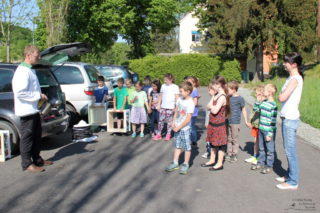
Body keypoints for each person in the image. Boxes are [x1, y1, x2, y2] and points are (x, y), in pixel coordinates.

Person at [12, 45, 52, 172]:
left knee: (36, 137)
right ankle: (27, 164)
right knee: (27, 138)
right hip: (26, 111)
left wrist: (40, 100)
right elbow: (20, 93)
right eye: (37, 56)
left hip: (33, 109)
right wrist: (37, 96)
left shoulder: (30, 70)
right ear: (28, 55)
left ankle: (37, 160)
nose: (39, 58)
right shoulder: (22, 71)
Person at [276, 52, 304, 190]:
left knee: (290, 151)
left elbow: (281, 98)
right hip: (286, 118)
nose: (284, 64)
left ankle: (293, 182)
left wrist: (280, 96)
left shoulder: (295, 79)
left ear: (294, 64)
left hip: (290, 119)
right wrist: (281, 95)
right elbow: (282, 96)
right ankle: (289, 175)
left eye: (286, 61)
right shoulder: (291, 78)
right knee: (288, 150)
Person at [201, 75, 230, 171]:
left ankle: (219, 163)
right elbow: (208, 105)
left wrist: (211, 107)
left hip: (219, 124)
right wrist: (212, 107)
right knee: (213, 142)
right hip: (212, 123)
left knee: (220, 144)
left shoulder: (222, 96)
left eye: (213, 84)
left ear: (219, 85)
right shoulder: (215, 95)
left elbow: (214, 111)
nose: (212, 86)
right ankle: (212, 160)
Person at [165, 82, 195, 175]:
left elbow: (188, 119)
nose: (179, 93)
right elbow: (176, 112)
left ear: (188, 91)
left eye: (181, 91)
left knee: (186, 147)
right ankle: (175, 162)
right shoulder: (179, 100)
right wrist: (173, 123)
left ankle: (186, 164)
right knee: (177, 146)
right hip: (177, 127)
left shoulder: (190, 103)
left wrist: (179, 127)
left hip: (185, 129)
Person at [251, 84, 278, 174]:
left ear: (269, 93)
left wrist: (270, 134)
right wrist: (257, 101)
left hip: (268, 131)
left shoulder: (273, 106)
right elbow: (255, 109)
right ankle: (260, 163)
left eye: (265, 91)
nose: (263, 92)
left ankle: (269, 165)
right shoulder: (264, 103)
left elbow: (273, 122)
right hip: (261, 129)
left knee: (270, 150)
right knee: (261, 148)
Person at [225, 80, 249, 163]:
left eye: (228, 90)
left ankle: (234, 154)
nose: (227, 91)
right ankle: (229, 153)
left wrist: (246, 121)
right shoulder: (228, 98)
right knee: (228, 138)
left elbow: (244, 110)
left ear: (234, 89)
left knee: (234, 139)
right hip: (228, 120)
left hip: (235, 122)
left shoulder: (240, 99)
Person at [153, 73, 180, 141]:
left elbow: (177, 98)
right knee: (160, 121)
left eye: (166, 80)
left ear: (171, 80)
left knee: (169, 122)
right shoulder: (163, 86)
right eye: (164, 80)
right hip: (163, 107)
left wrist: (177, 107)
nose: (165, 81)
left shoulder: (175, 87)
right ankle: (159, 134)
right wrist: (159, 104)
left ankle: (168, 134)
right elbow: (161, 96)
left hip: (171, 107)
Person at [245, 85, 265, 164]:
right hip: (256, 124)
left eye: (257, 93)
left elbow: (258, 110)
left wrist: (258, 102)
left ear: (262, 93)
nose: (256, 95)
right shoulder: (256, 102)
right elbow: (253, 111)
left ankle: (261, 157)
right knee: (256, 140)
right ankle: (255, 156)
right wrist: (250, 121)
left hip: (262, 125)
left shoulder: (264, 102)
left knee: (261, 142)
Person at [202, 83, 217, 159]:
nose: (208, 92)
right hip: (208, 123)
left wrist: (208, 122)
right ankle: (209, 151)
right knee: (208, 138)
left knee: (210, 139)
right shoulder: (212, 99)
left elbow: (211, 113)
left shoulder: (215, 100)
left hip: (210, 124)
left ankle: (210, 152)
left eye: (209, 90)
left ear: (214, 91)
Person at [187, 76, 200, 149]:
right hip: (188, 112)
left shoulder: (195, 91)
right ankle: (189, 139)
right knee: (188, 126)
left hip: (193, 112)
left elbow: (195, 103)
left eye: (189, 82)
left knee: (192, 127)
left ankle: (194, 141)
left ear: (194, 83)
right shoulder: (190, 91)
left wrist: (188, 105)